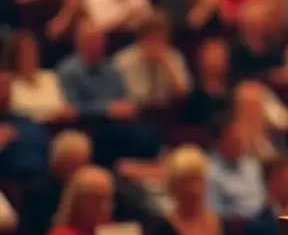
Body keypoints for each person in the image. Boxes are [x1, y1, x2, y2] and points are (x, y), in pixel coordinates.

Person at [57, 19, 160, 165]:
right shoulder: (68, 70)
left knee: (151, 133)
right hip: (91, 124)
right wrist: (106, 109)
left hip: (119, 122)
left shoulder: (111, 68)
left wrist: (127, 106)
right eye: (91, 39)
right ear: (78, 42)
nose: (96, 44)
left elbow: (123, 97)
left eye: (99, 39)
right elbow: (72, 108)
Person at [148, 145, 254, 235]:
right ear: (173, 187)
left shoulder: (219, 221)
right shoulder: (162, 230)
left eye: (198, 180)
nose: (195, 189)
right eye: (186, 182)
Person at [113, 13, 192, 107]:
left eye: (160, 39)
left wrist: (166, 64)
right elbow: (124, 96)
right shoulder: (124, 60)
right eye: (151, 39)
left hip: (167, 109)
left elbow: (183, 92)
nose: (155, 45)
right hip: (136, 110)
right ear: (141, 39)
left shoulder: (174, 57)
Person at [206, 111, 266, 220]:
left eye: (242, 137)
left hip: (258, 222)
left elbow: (259, 200)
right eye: (235, 137)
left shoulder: (252, 166)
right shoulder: (208, 170)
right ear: (219, 141)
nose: (241, 142)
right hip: (229, 225)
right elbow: (212, 210)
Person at [3, 29, 71, 122]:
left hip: (58, 125)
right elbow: (19, 111)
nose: (31, 57)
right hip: (27, 128)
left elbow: (63, 106)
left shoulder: (50, 77)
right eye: (26, 53)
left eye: (33, 51)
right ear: (14, 57)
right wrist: (52, 114)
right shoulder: (9, 83)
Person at [0, 71, 51, 179]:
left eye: (6, 87)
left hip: (44, 175)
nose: (4, 93)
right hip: (11, 179)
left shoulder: (26, 122)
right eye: (1, 88)